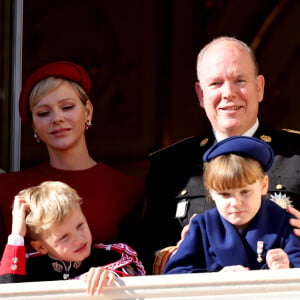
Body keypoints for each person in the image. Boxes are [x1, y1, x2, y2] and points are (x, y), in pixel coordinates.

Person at [144, 36, 300, 274]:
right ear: (200, 94)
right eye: (216, 83)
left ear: (259, 87)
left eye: (240, 80)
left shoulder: (297, 153)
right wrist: (177, 253)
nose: (228, 93)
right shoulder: (170, 165)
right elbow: (145, 249)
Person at [0, 61, 145, 254]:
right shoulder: (7, 190)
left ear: (88, 111)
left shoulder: (129, 189)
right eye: (43, 113)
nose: (57, 118)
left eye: (67, 107)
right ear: (34, 125)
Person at [164, 136, 300, 274]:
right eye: (225, 194)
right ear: (210, 192)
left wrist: (287, 268)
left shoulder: (285, 223)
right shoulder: (202, 226)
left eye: (245, 192)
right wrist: (215, 279)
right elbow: (175, 275)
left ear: (264, 185)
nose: (236, 203)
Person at [0, 181, 145, 295]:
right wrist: (17, 235)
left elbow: (142, 289)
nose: (78, 239)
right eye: (63, 236)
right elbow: (7, 292)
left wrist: (114, 280)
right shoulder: (27, 266)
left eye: (80, 225)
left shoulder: (111, 257)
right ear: (40, 247)